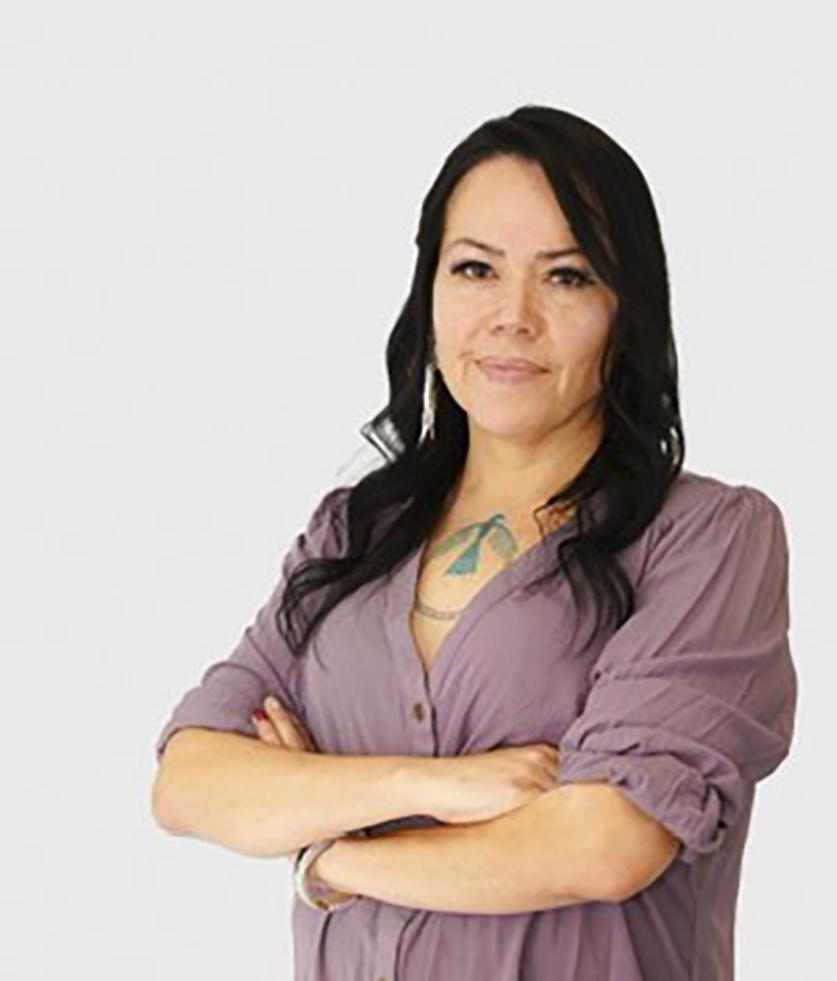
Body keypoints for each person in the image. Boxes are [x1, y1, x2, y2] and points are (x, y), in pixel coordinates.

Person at [151, 104, 797, 981]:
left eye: (565, 278)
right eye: (475, 269)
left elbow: (603, 843)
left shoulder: (707, 539)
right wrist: (424, 787)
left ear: (625, 310)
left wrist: (326, 854)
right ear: (430, 293)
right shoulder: (355, 536)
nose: (511, 316)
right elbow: (189, 778)